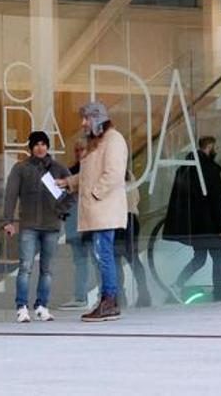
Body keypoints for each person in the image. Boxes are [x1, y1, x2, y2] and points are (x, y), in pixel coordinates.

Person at [56, 102, 128, 322]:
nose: (83, 123)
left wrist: (95, 195)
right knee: (102, 256)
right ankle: (108, 301)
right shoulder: (97, 142)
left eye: (86, 118)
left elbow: (114, 174)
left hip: (103, 210)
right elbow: (89, 175)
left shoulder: (113, 140)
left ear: (97, 118)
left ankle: (109, 301)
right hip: (98, 210)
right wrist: (68, 182)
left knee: (103, 255)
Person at [2, 131, 72, 322]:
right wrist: (8, 221)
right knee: (25, 267)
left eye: (43, 144)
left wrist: (63, 212)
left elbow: (73, 190)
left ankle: (42, 306)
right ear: (31, 148)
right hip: (29, 225)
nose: (40, 148)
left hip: (51, 225)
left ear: (47, 146)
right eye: (36, 144)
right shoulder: (21, 168)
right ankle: (22, 307)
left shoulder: (58, 168)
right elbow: (10, 195)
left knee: (47, 269)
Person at [164, 136, 221, 302]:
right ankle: (218, 295)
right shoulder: (209, 169)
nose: (217, 150)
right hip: (210, 225)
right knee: (219, 258)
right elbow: (217, 199)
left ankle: (177, 284)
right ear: (209, 147)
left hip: (195, 225)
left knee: (200, 258)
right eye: (216, 147)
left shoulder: (186, 168)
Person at [57, 137, 92, 311]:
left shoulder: (93, 170)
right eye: (77, 150)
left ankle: (104, 295)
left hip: (92, 221)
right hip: (74, 221)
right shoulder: (70, 173)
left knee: (98, 259)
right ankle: (80, 296)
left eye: (82, 149)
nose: (79, 153)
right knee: (80, 260)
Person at [114, 168, 152, 307]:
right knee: (132, 259)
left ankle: (121, 296)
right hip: (130, 218)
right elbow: (137, 197)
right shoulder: (129, 173)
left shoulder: (115, 172)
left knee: (117, 260)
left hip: (119, 219)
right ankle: (143, 293)